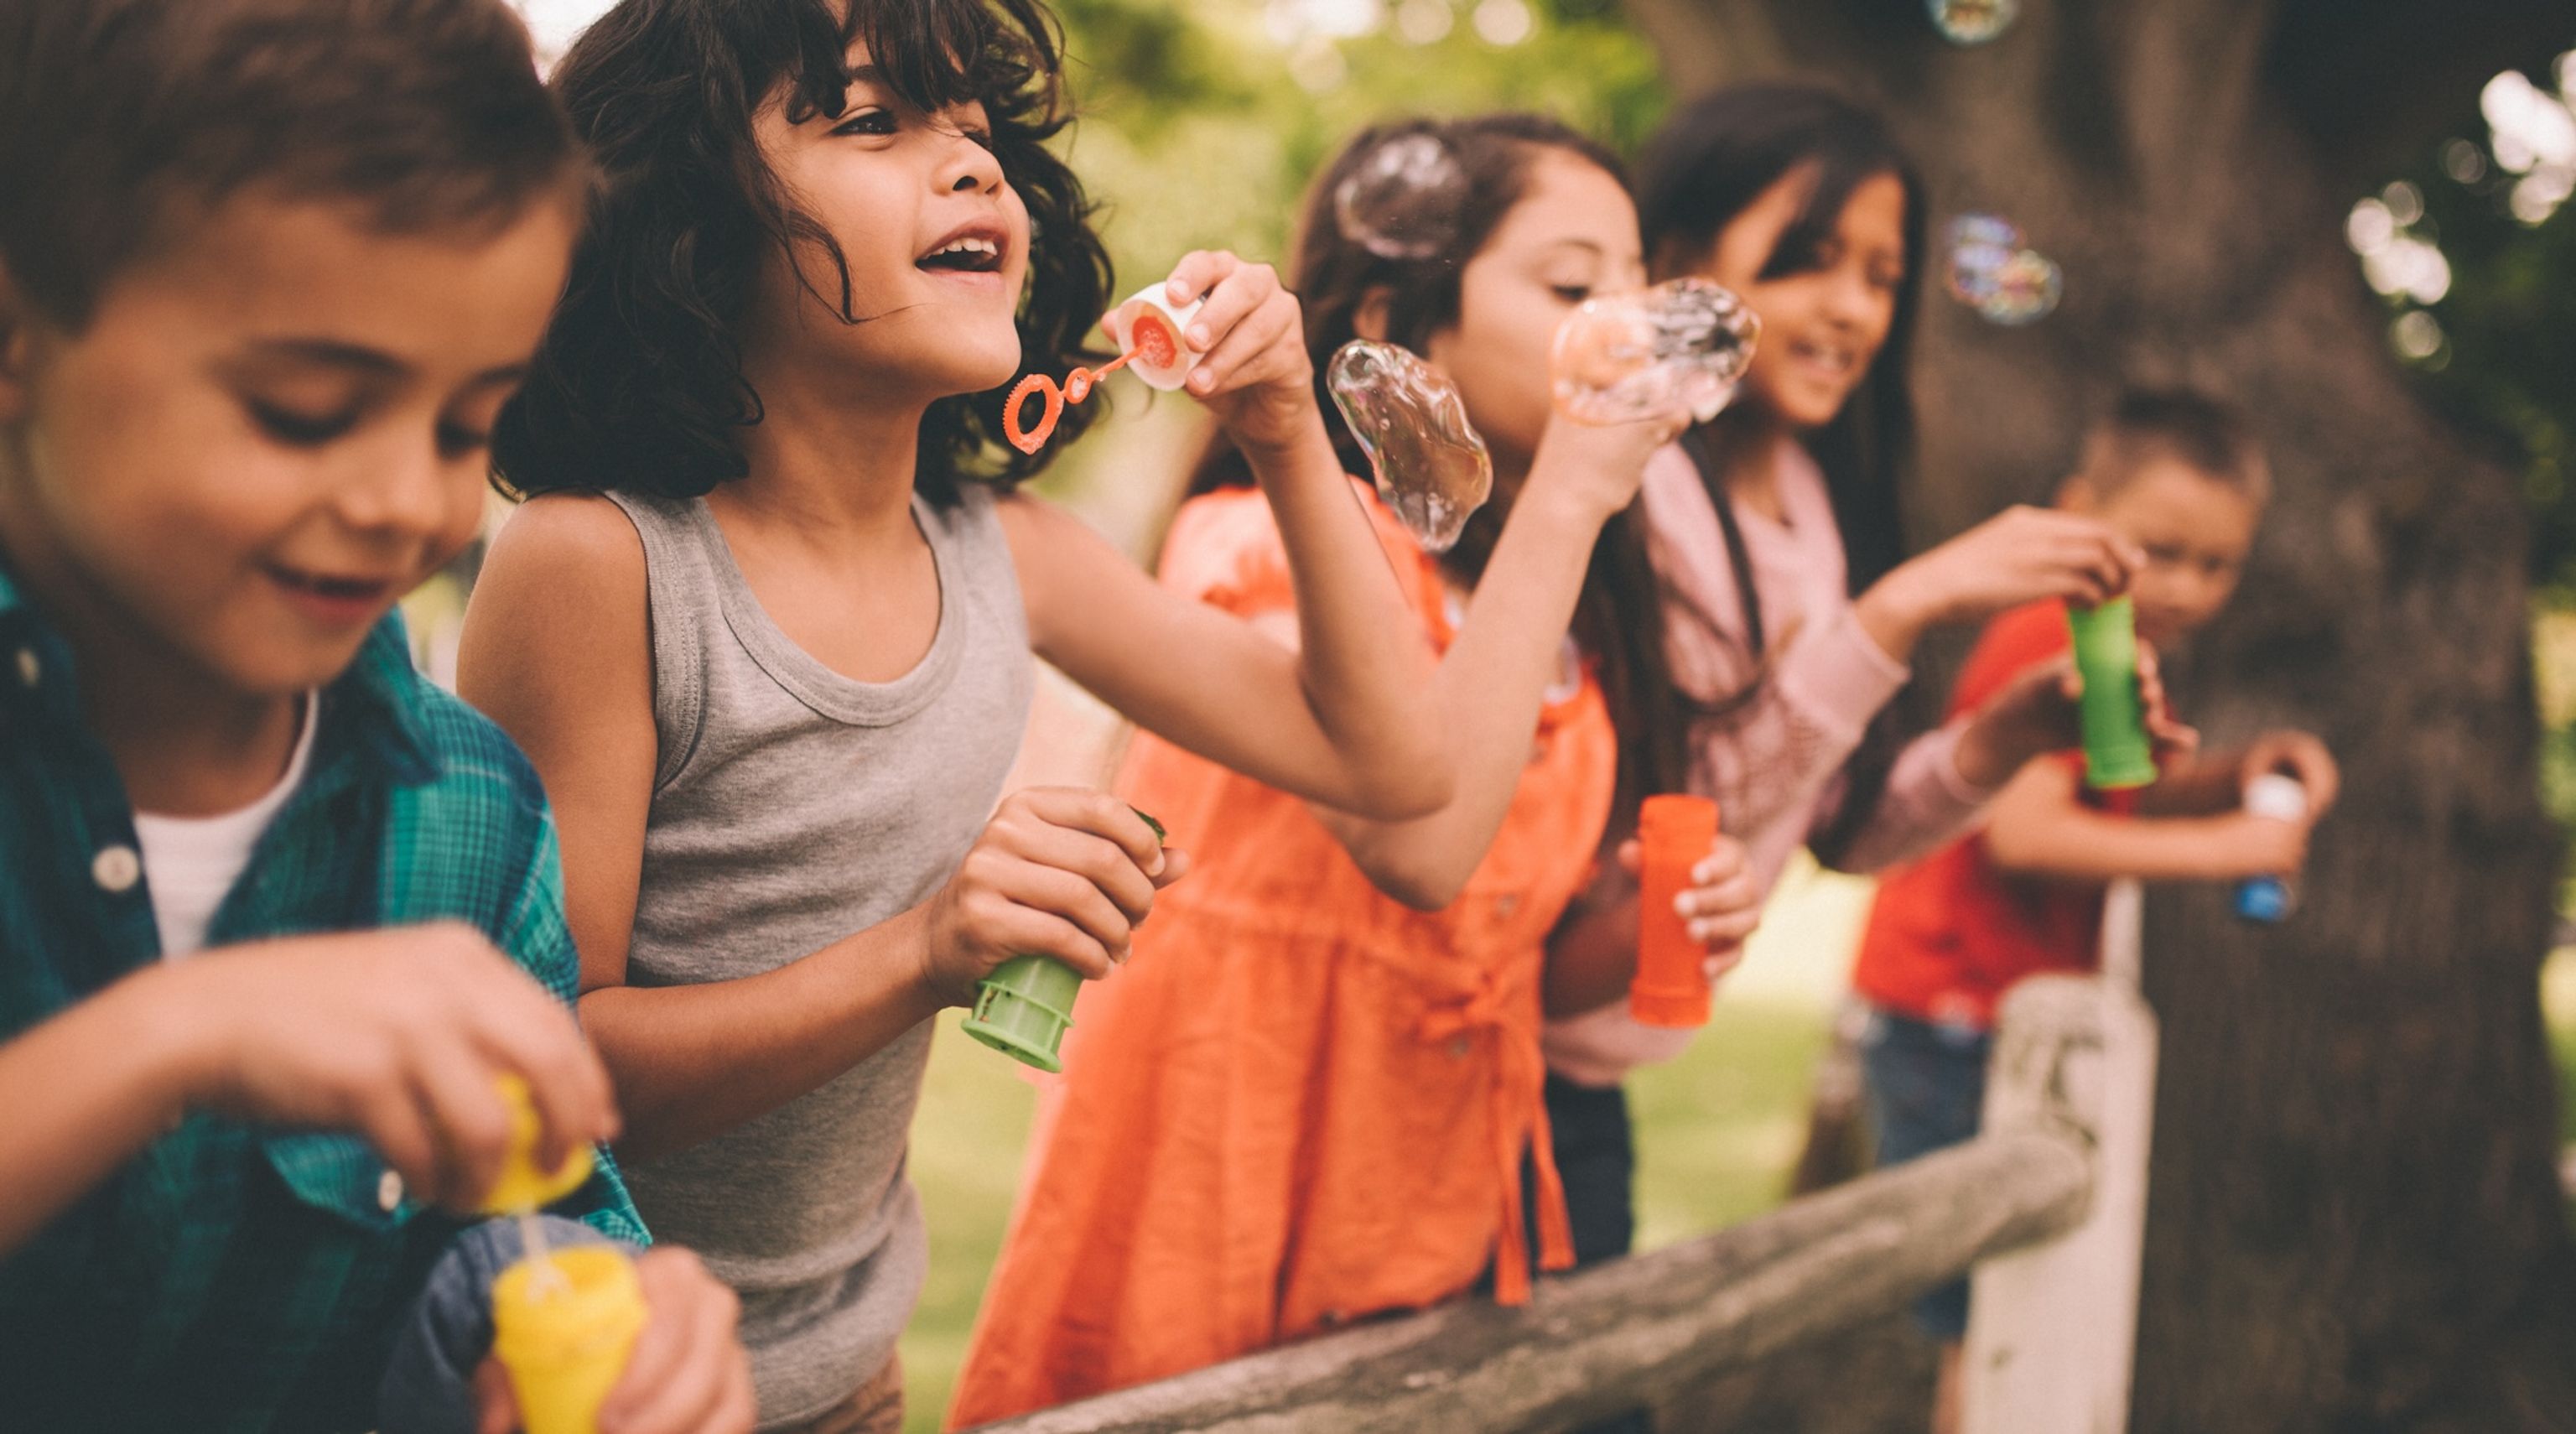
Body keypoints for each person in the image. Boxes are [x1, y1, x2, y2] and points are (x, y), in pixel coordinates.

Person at [458, 2, 1456, 1427]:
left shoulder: (1005, 551)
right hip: (597, 1383)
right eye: (870, 121)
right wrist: (926, 950)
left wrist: (1285, 427)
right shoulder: (600, 564)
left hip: (854, 1376)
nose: (973, 169)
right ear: (684, 212)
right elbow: (547, 1072)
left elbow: (1394, 761)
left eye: (978, 134)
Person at [948, 113, 1767, 1426]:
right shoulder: (1261, 548)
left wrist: (1643, 929)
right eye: (1572, 285)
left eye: (1634, 283)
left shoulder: (1548, 616)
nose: (1624, 323)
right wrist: (1568, 496)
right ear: (1398, 319)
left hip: (1434, 1204)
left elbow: (1502, 952)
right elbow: (1420, 848)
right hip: (1229, 1171)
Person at [0, 2, 748, 1429]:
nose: (411, 500)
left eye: (467, 426)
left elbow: (524, 1209)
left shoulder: (467, 808)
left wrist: (615, 1306)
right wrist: (168, 1036)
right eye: (304, 410)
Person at [1540, 80, 2157, 1316]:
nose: (1850, 309)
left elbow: (1842, 824)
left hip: (1592, 1080)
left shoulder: (1826, 511)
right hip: (1511, 1049)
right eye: (1806, 260)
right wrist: (1895, 615)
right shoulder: (1629, 492)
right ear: (1674, 264)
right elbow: (1691, 808)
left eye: (1880, 276)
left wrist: (1997, 741)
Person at [1850, 387, 2335, 1434]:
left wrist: (2236, 778)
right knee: (1987, 1324)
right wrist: (2224, 850)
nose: (2191, 588)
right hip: (1952, 1010)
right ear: (2078, 515)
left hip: (2000, 1013)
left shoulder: (2115, 636)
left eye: (2219, 565)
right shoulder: (2048, 632)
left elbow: (2108, 793)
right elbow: (2026, 834)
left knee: (2018, 1307)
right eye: (2162, 549)